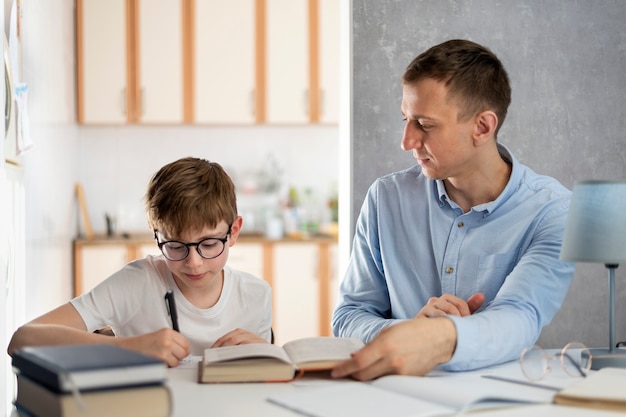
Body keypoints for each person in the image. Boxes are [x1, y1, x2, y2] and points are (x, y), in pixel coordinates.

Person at [330, 39, 575, 380]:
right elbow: (349, 316)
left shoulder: (553, 212)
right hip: (394, 399)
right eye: (405, 119)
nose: (406, 141)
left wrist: (439, 338)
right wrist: (408, 333)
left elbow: (520, 318)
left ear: (482, 127)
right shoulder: (386, 199)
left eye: (425, 125)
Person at [8, 157, 272, 367]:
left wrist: (267, 357)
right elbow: (22, 340)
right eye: (176, 246)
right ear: (156, 234)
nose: (194, 263)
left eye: (209, 244)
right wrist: (129, 347)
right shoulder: (138, 282)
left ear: (234, 231)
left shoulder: (256, 296)